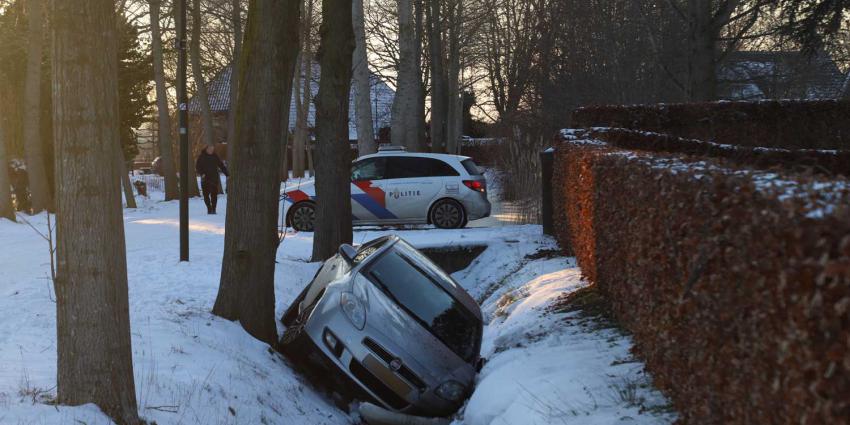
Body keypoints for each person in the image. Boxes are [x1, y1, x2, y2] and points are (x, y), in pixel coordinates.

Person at [195, 145, 229, 214]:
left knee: (214, 195)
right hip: (205, 179)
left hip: (214, 178)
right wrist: (202, 174)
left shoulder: (215, 156)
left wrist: (227, 174)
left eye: (212, 149)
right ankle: (209, 208)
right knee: (206, 195)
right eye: (210, 149)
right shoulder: (202, 156)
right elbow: (197, 167)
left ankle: (213, 209)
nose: (211, 150)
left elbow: (221, 165)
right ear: (206, 149)